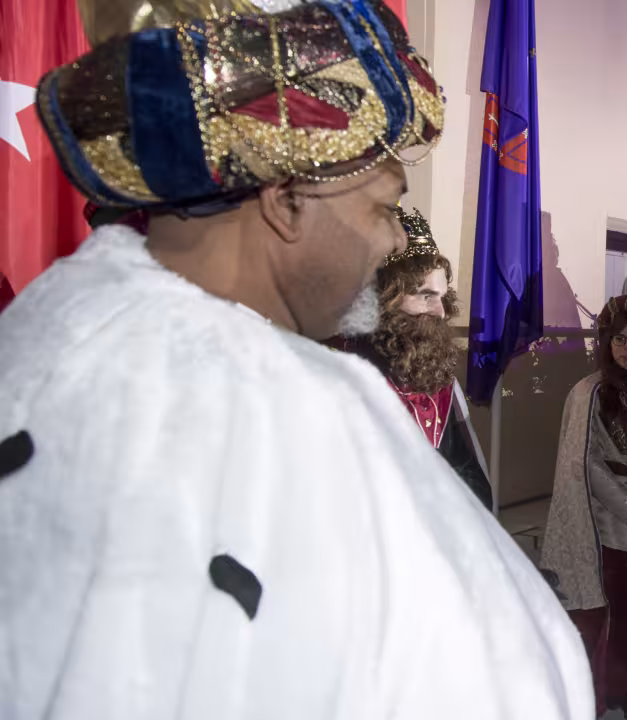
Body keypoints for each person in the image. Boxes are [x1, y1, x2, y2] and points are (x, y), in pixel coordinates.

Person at [0, 2, 592, 719]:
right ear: (286, 201)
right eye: (381, 209)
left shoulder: (39, 331)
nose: (384, 248)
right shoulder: (295, 412)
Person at [541, 293, 627, 717]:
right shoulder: (589, 393)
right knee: (614, 609)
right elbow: (587, 463)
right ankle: (613, 691)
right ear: (607, 343)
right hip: (608, 522)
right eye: (619, 340)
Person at [332, 207, 491, 509]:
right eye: (425, 296)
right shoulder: (331, 372)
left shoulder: (436, 380)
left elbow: (467, 473)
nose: (441, 312)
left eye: (442, 297)